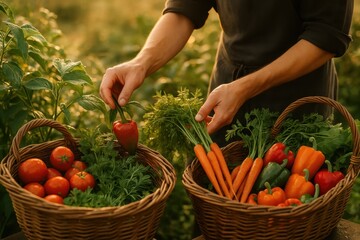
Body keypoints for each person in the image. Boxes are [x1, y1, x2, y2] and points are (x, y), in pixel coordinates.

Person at [100, 0, 354, 147]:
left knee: (287, 205)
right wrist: (141, 63)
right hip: (227, 85)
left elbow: (325, 36)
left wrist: (245, 88)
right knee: (214, 199)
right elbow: (185, 9)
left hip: (295, 99)